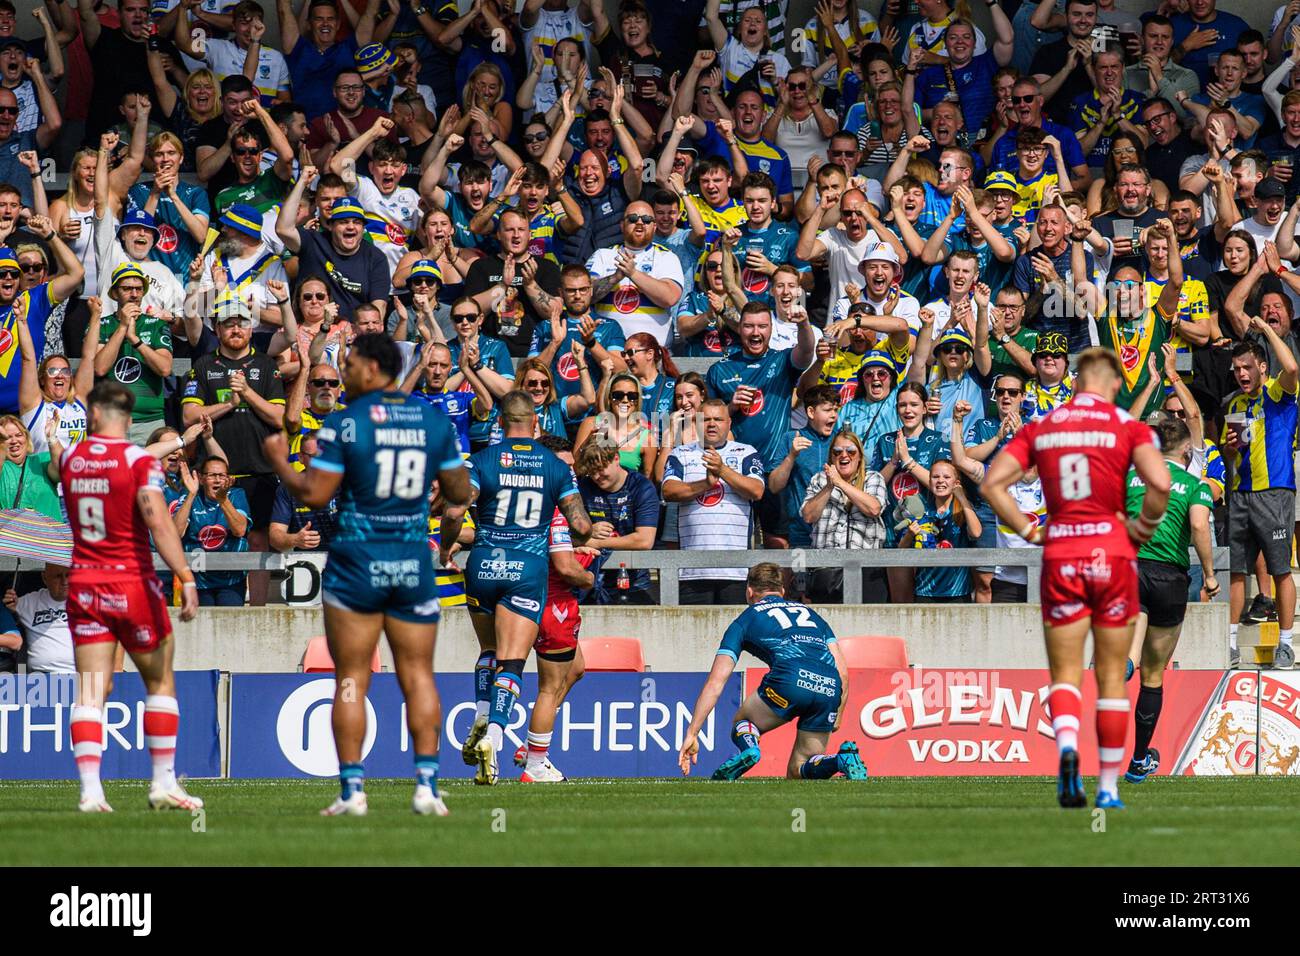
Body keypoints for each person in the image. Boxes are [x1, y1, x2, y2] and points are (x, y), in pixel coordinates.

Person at [263, 333, 470, 817]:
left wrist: (279, 461)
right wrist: (431, 499)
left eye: (350, 364)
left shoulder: (345, 423)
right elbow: (460, 489)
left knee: (351, 678)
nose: (344, 371)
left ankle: (354, 791)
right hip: (411, 560)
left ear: (374, 369)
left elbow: (313, 495)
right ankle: (426, 789)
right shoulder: (432, 420)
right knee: (417, 674)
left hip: (356, 562)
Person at [982, 348, 1171, 810]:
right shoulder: (1129, 427)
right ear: (1110, 384)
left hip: (1062, 550)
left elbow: (991, 485)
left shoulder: (1044, 426)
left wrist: (1030, 530)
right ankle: (1107, 787)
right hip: (1112, 554)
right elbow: (1161, 484)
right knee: (1110, 675)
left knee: (1065, 672)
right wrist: (1140, 532)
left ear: (1076, 380)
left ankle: (1067, 750)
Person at [61, 381, 201, 814]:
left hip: (84, 583)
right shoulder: (139, 462)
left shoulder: (71, 459)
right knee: (159, 680)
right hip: (131, 582)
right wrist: (185, 576)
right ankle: (162, 783)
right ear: (127, 416)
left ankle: (90, 791)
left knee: (89, 688)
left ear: (96, 415)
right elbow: (158, 522)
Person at [458, 390, 592, 786]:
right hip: (535, 584)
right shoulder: (553, 478)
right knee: (537, 678)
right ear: (536, 423)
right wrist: (589, 571)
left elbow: (455, 503)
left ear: (499, 423)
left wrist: (450, 534)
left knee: (491, 652)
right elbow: (575, 540)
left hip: (483, 565)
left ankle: (484, 716)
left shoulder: (480, 461)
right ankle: (516, 749)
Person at [678, 562, 868, 781]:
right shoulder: (813, 615)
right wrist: (839, 713)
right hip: (829, 685)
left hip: (790, 679)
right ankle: (840, 761)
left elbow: (716, 683)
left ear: (749, 592)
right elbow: (842, 671)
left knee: (743, 722)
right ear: (783, 591)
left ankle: (750, 748)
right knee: (799, 770)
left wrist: (693, 732)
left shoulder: (745, 620)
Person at [1123, 415, 1218, 784]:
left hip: (1130, 566)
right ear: (1185, 450)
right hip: (1169, 576)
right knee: (1153, 675)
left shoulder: (1130, 478)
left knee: (1134, 636)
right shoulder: (1195, 484)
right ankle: (1138, 760)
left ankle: (1123, 662)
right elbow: (1198, 526)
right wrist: (1209, 575)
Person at [1222, 323, 1299, 669]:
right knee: (1237, 572)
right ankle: (1231, 644)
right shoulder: (1235, 402)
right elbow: (1233, 455)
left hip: (1275, 493)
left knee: (1281, 570)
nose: (1241, 374)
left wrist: (1266, 329)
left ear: (1262, 367)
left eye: (1247, 367)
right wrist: (1228, 450)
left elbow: (1294, 368)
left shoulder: (1277, 392)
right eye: (1237, 369)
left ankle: (1285, 644)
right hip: (1241, 495)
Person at [661, 397, 764, 604]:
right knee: (693, 634)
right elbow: (668, 491)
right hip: (692, 569)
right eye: (706, 419)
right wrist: (705, 484)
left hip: (736, 569)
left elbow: (756, 490)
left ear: (729, 423)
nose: (711, 424)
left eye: (718, 419)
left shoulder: (746, 452)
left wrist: (722, 470)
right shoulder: (681, 453)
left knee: (731, 634)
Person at [801, 428, 888, 603]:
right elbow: (808, 516)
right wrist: (829, 486)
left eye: (851, 451)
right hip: (825, 569)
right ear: (831, 457)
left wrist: (840, 482)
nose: (844, 455)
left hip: (866, 570)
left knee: (866, 628)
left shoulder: (873, 478)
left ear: (860, 457)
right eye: (837, 452)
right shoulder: (819, 480)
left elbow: (873, 509)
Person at [574, 440, 660, 605]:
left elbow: (644, 540)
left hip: (634, 582)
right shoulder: (583, 487)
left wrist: (595, 542)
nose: (597, 477)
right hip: (590, 581)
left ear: (616, 458)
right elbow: (563, 533)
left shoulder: (641, 487)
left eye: (600, 469)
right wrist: (588, 531)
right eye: (592, 472)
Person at [171, 454, 251, 607]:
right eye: (212, 475)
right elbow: (175, 533)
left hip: (230, 579)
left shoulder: (236, 494)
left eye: (222, 475)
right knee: (201, 628)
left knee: (230, 627)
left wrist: (223, 500)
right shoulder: (190, 495)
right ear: (201, 479)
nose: (217, 480)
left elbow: (240, 530)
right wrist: (191, 495)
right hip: (198, 580)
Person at [3, 562, 73, 674]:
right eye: (58, 576)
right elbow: (10, 607)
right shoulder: (30, 602)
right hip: (40, 679)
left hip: (82, 675)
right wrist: (9, 602)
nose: (64, 582)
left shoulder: (85, 601)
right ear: (44, 577)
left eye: (68, 575)